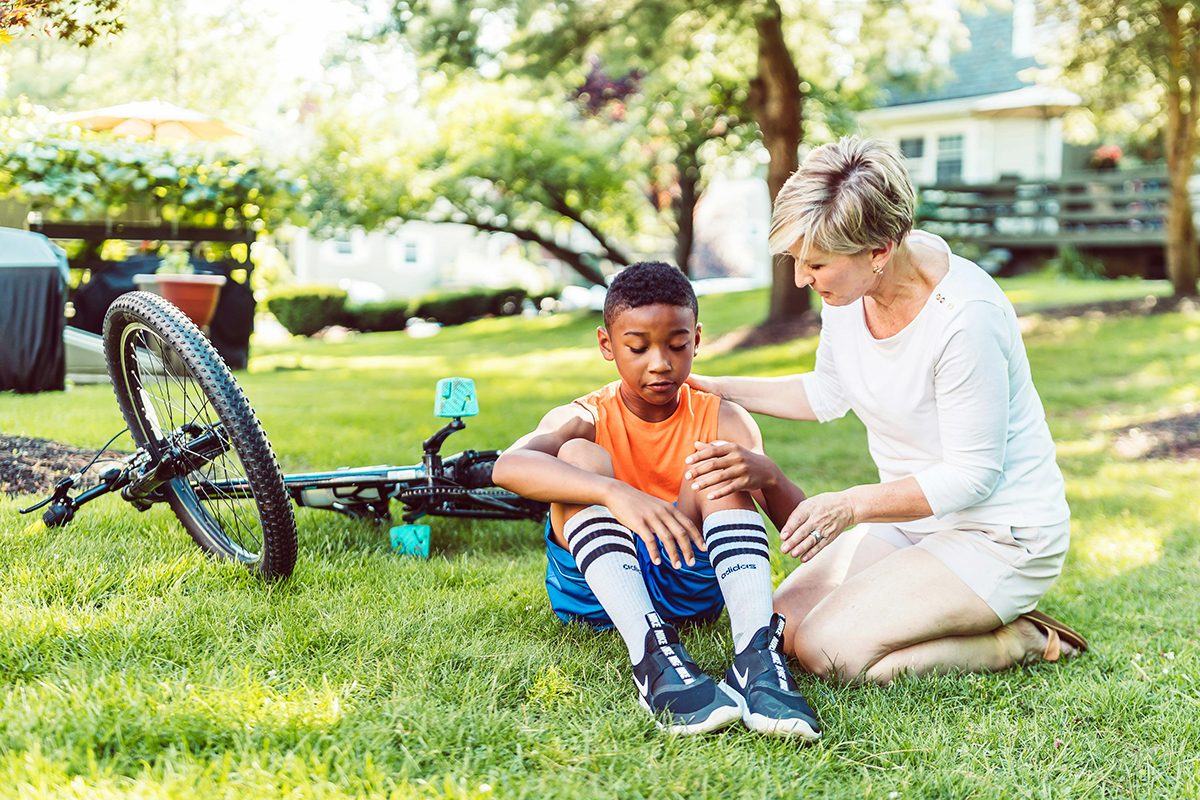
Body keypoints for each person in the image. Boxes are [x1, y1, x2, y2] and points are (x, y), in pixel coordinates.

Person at [685, 135, 1088, 685]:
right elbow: (827, 392)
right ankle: (928, 604)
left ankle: (1015, 639)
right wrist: (711, 386)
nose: (803, 279)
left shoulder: (965, 320)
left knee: (832, 652)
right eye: (799, 261)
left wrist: (850, 505)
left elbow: (973, 475)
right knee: (779, 628)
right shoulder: (852, 294)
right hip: (913, 524)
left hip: (1000, 536)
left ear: (879, 251)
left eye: (817, 264)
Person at [492, 262, 820, 738]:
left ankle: (755, 658)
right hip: (596, 597)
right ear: (608, 345)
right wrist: (612, 491)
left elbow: (800, 531)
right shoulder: (586, 415)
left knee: (718, 462)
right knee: (579, 457)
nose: (660, 363)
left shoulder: (722, 417)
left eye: (676, 344)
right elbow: (508, 466)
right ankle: (651, 656)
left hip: (688, 582)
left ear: (697, 338)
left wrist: (768, 475)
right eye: (638, 347)